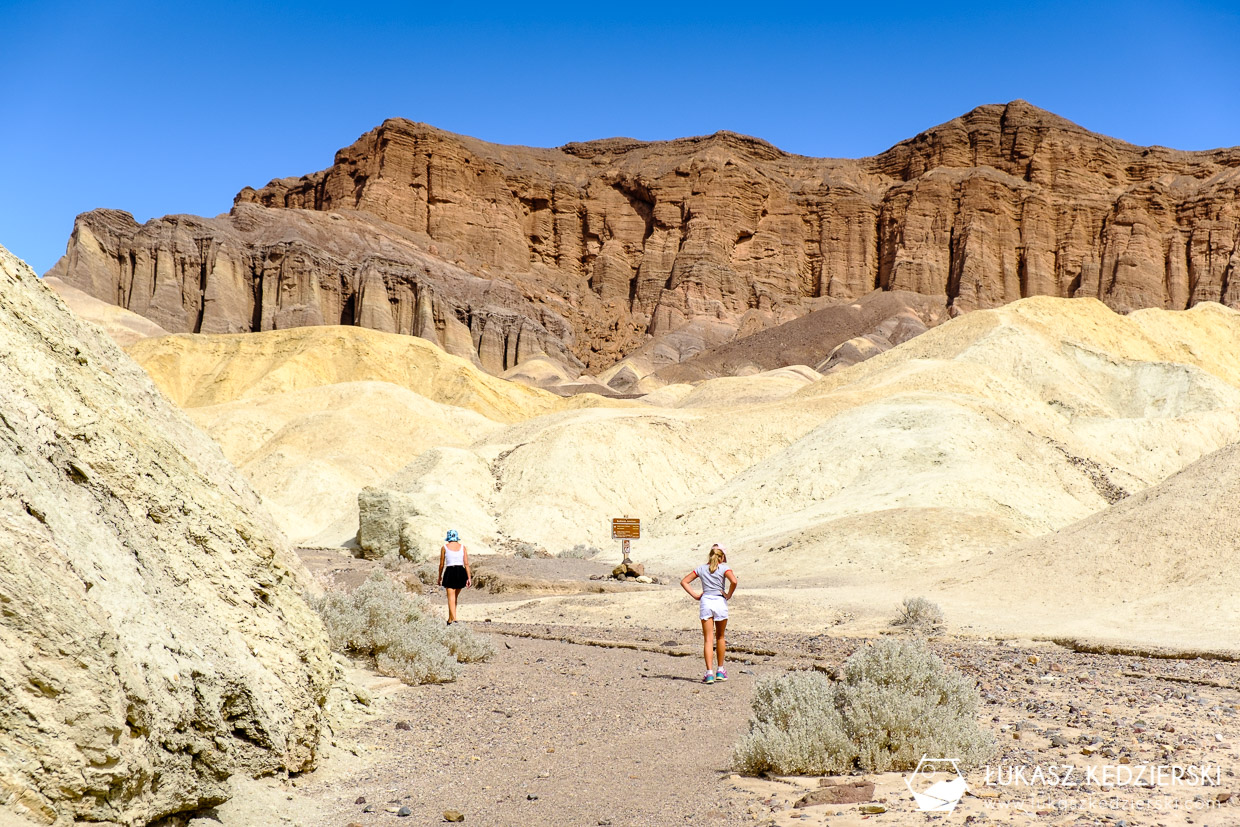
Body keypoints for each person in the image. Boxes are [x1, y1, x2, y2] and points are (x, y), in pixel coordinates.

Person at [680, 544, 738, 684]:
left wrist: (695, 595)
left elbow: (684, 581)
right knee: (720, 637)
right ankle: (720, 670)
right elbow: (734, 581)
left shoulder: (701, 568)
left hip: (706, 602)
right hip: (719, 601)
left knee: (708, 639)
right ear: (722, 556)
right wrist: (728, 594)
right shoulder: (724, 567)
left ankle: (709, 673)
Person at [437, 529, 472, 623]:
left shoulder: (444, 547)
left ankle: (455, 619)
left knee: (451, 598)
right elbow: (467, 564)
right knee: (454, 598)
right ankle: (450, 620)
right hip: (461, 571)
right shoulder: (463, 547)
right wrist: (469, 578)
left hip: (450, 571)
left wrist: (439, 576)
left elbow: (441, 564)